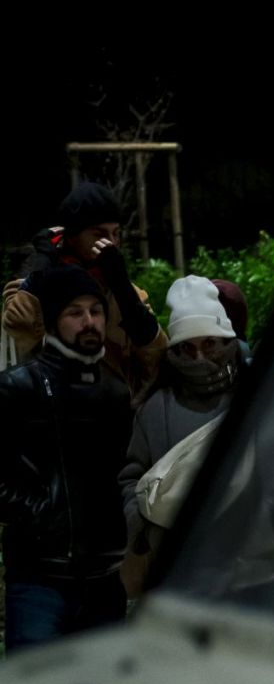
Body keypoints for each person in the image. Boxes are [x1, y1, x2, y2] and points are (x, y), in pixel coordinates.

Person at [117, 276, 274, 607]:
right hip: (184, 579)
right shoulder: (156, 409)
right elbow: (132, 477)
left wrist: (267, 525)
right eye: (187, 347)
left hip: (262, 575)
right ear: (175, 349)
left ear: (227, 339)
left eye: (210, 343)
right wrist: (149, 532)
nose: (200, 356)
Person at [0, 267, 132, 649]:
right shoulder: (17, 387)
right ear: (53, 321)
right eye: (75, 312)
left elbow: (123, 473)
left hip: (105, 579)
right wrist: (42, 514)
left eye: (96, 311)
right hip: (39, 580)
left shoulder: (115, 392)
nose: (89, 322)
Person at [2, 182, 166, 403]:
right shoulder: (37, 282)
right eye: (99, 234)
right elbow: (19, 327)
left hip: (115, 410)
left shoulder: (125, 292)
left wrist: (123, 290)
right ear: (72, 237)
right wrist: (41, 265)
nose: (111, 243)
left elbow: (158, 358)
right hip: (51, 408)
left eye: (116, 234)